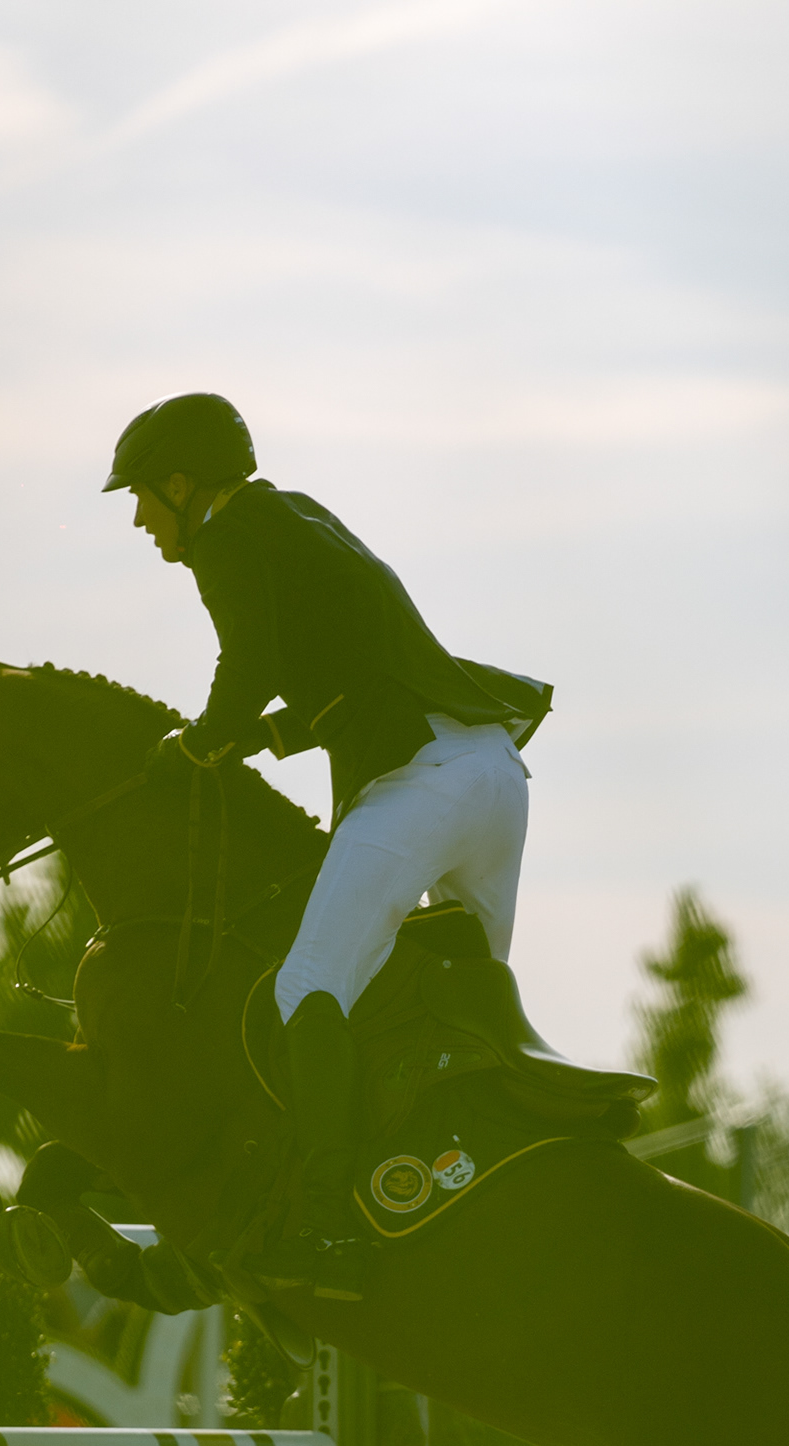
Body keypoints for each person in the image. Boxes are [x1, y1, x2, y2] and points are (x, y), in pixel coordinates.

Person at [104, 393, 551, 1296]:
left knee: (306, 986)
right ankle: (460, 1183)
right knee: (459, 998)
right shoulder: (298, 516)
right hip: (494, 772)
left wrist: (195, 745)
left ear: (184, 485)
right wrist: (276, 733)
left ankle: (322, 1227)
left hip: (421, 785)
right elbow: (352, 654)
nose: (142, 520)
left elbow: (247, 665)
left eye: (144, 496)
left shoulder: (227, 539)